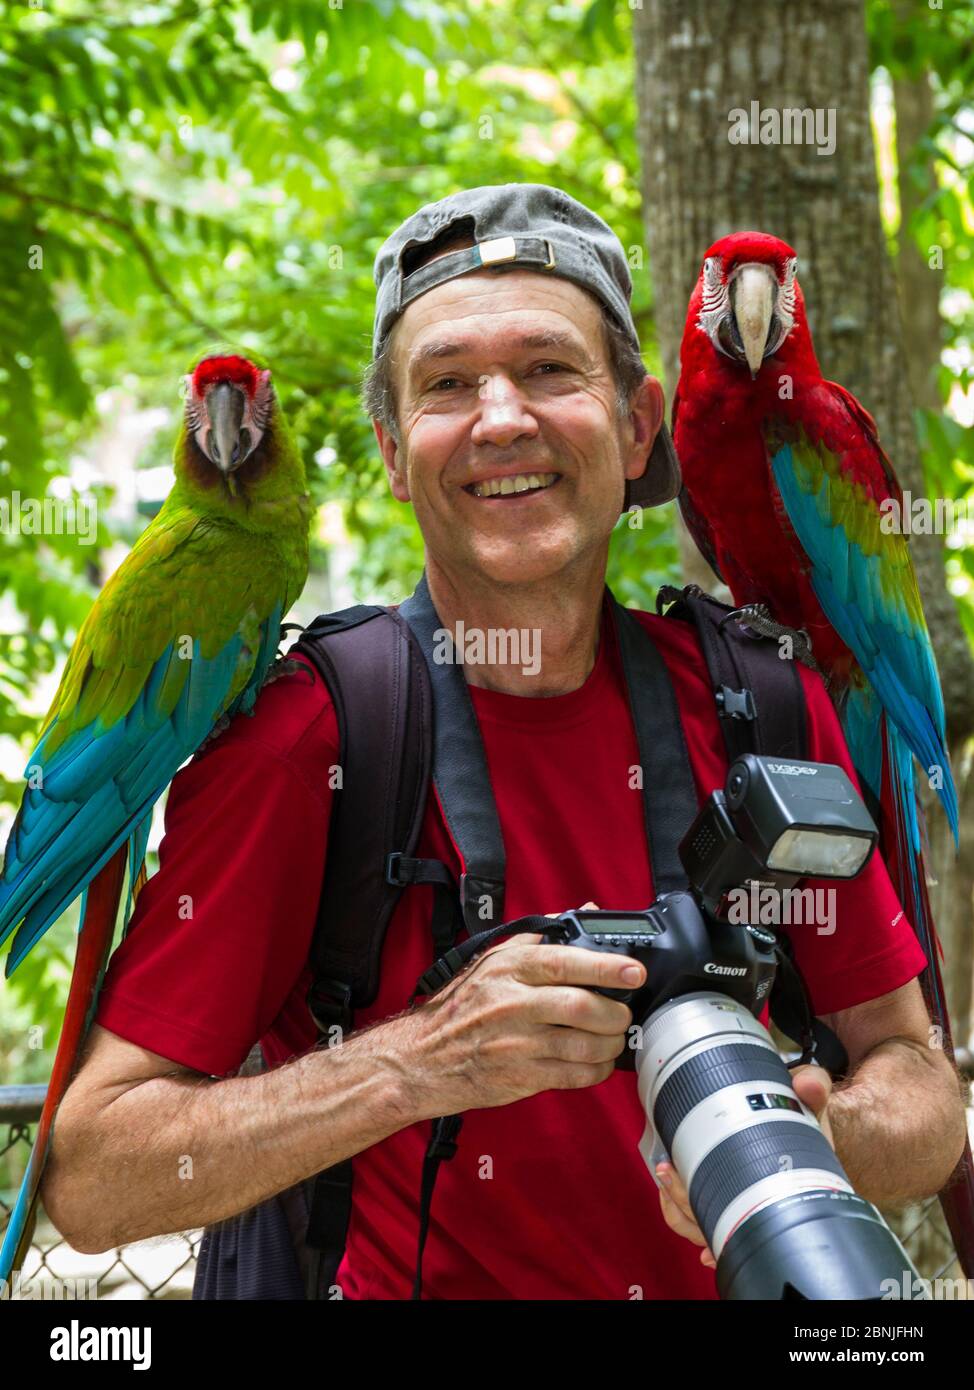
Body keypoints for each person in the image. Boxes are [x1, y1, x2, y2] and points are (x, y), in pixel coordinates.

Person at [40, 184, 966, 1300]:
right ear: (392, 454)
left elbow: (919, 1087)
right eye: (445, 385)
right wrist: (413, 1064)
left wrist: (806, 1138)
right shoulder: (308, 738)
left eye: (547, 371)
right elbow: (89, 1179)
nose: (500, 419)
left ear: (636, 427)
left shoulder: (765, 704)